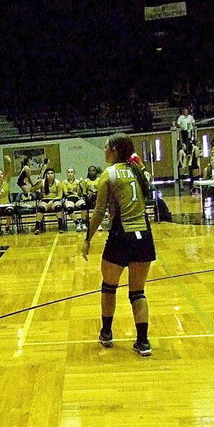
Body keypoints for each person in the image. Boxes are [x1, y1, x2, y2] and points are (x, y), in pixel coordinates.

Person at [81, 133, 154, 357]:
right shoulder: (139, 171)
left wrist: (87, 239)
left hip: (121, 236)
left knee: (109, 287)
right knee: (138, 292)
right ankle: (143, 342)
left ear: (114, 150)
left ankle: (106, 333)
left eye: (105, 148)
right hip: (144, 235)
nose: (103, 152)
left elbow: (99, 212)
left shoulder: (109, 174)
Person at [31, 167, 64, 234]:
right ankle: (37, 227)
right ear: (46, 175)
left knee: (58, 207)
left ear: (54, 174)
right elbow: (32, 189)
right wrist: (37, 182)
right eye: (48, 173)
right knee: (40, 208)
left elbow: (60, 195)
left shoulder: (58, 183)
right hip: (44, 200)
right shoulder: (42, 182)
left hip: (55, 199)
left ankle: (60, 226)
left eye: (51, 173)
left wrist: (52, 201)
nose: (50, 175)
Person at [0, 166, 15, 235]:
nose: (0, 175)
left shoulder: (6, 183)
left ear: (3, 176)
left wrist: (9, 163)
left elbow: (9, 172)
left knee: (10, 211)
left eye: (1, 174)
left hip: (7, 204)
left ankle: (7, 227)